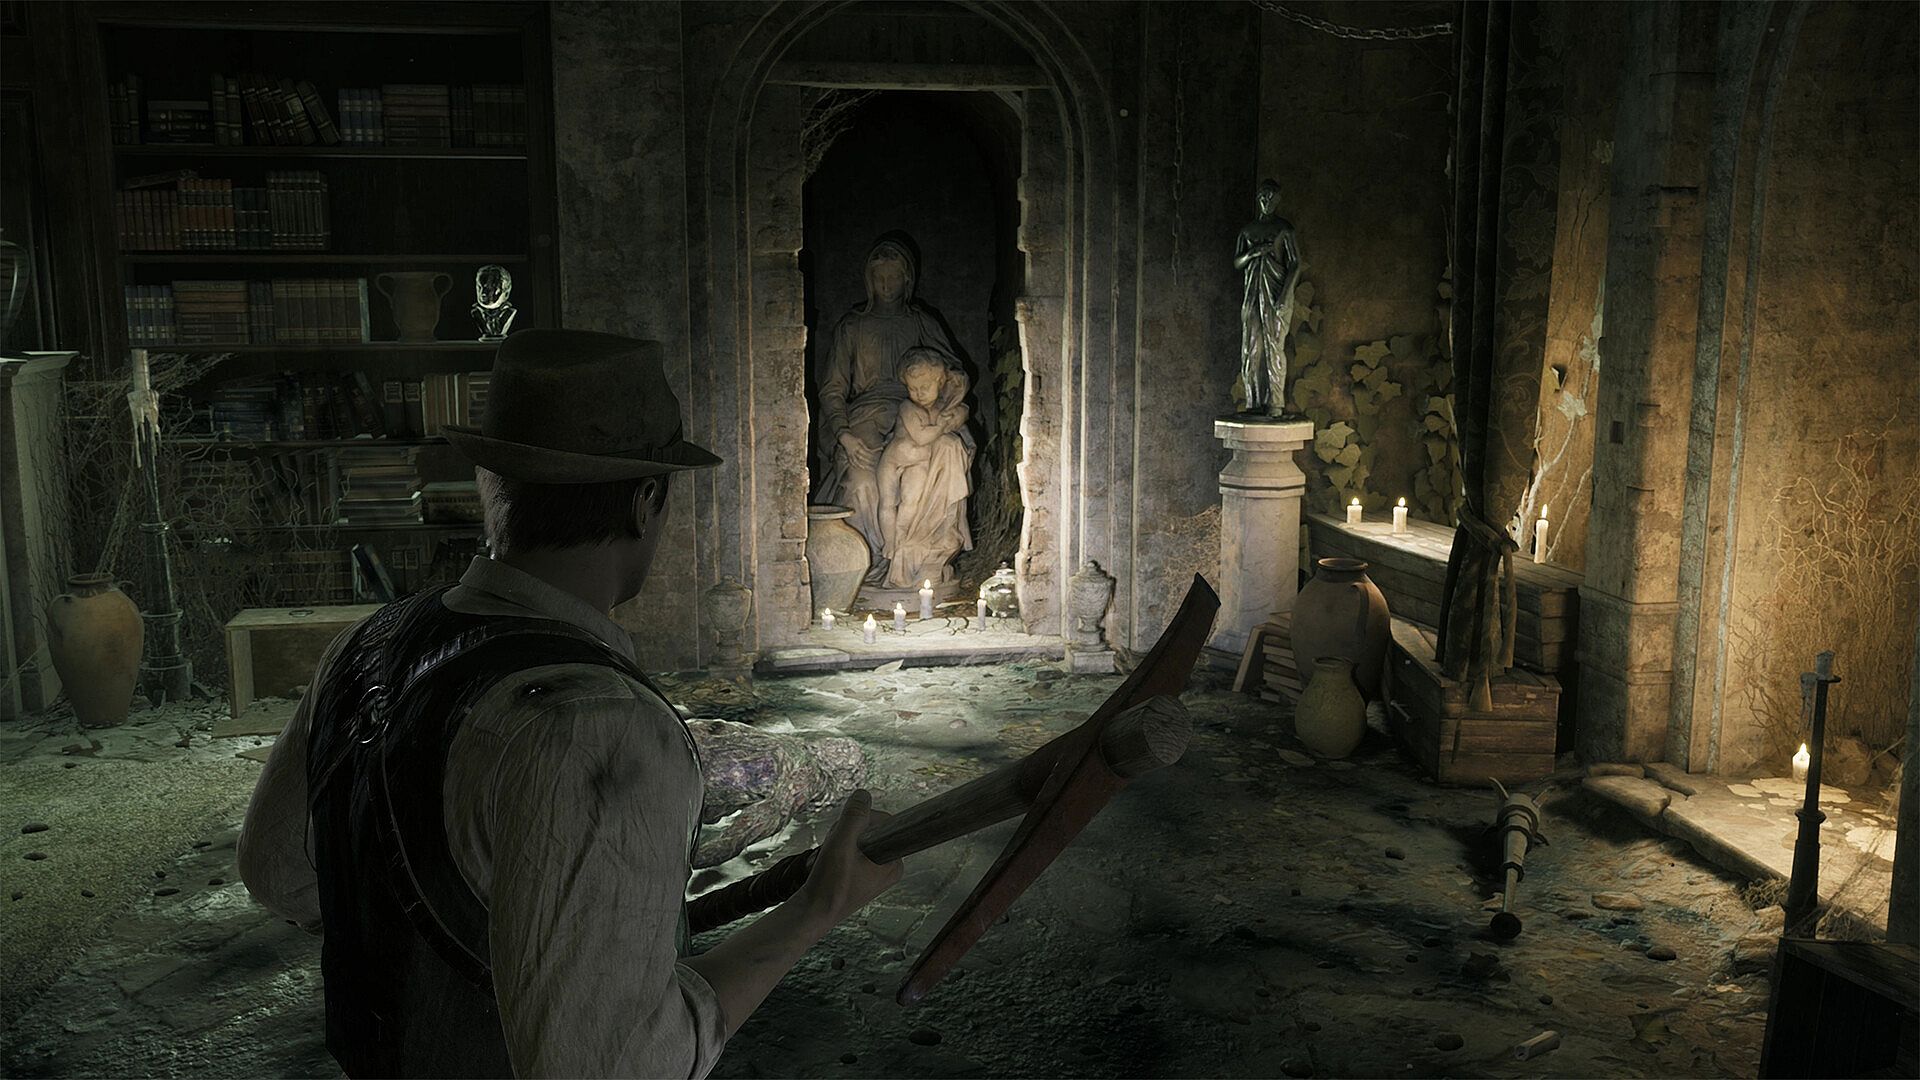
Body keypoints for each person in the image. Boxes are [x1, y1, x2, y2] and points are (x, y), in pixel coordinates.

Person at [237, 329, 903, 1079]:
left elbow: (276, 873)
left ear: (492, 487)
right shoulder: (602, 726)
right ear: (647, 501)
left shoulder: (364, 645)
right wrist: (814, 910)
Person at [814, 235, 961, 576]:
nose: (885, 284)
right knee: (862, 479)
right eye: (879, 277)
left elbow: (954, 372)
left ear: (907, 279)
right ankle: (869, 564)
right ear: (868, 280)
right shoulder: (853, 326)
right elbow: (832, 389)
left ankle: (914, 562)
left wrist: (949, 402)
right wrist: (844, 435)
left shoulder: (921, 322)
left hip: (917, 411)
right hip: (866, 414)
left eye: (893, 276)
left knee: (938, 458)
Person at [875, 346, 975, 588]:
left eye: (925, 387)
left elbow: (960, 410)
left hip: (919, 465)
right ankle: (894, 542)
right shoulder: (908, 408)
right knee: (889, 503)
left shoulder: (940, 408)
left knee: (912, 501)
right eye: (912, 388)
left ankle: (915, 540)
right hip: (894, 464)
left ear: (940, 383)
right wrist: (942, 426)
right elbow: (921, 437)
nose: (918, 394)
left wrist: (958, 415)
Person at [1234, 178, 1302, 417]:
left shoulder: (1284, 229)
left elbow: (1295, 264)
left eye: (1271, 196)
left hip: (1275, 292)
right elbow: (1237, 262)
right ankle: (1252, 401)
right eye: (1263, 195)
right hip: (1252, 293)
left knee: (1274, 346)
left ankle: (1275, 402)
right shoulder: (1247, 231)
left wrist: (1285, 294)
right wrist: (1252, 253)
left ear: (1278, 199)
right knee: (1251, 347)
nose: (1267, 200)